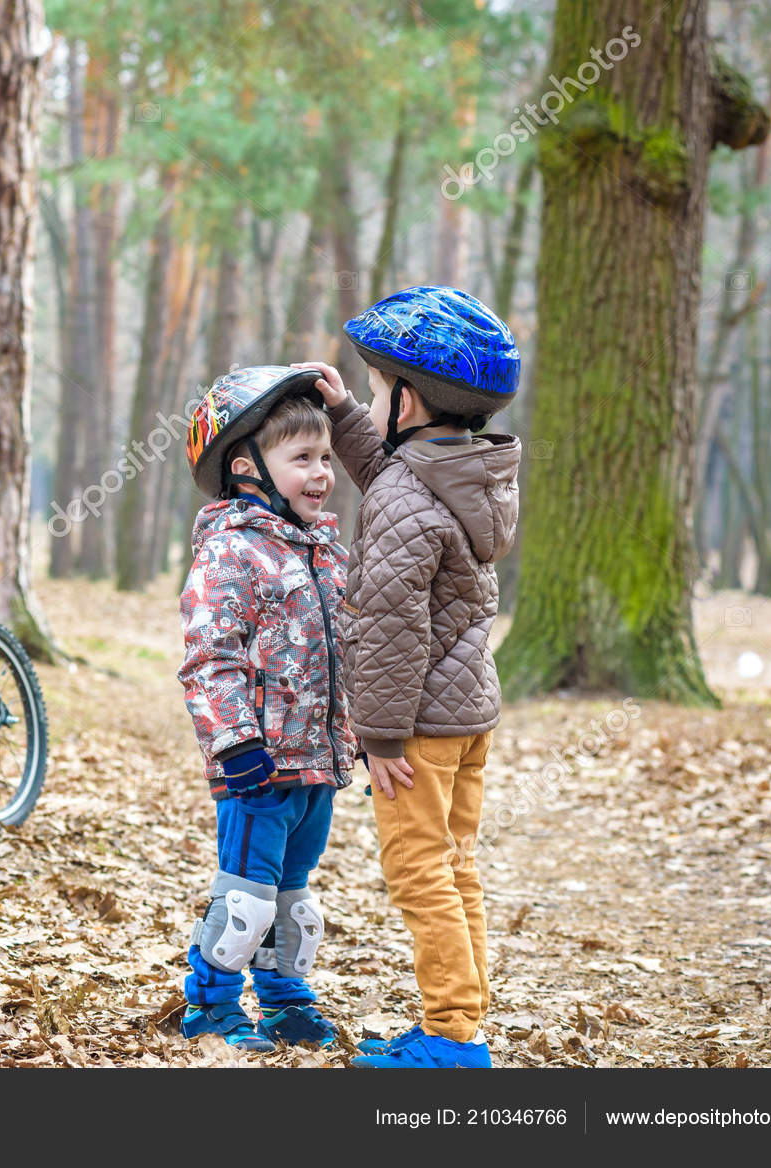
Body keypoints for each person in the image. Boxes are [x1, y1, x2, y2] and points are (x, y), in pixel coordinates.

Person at [289, 284, 521, 1069]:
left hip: (417, 725)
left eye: (384, 389)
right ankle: (467, 1021)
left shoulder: (403, 497)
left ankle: (453, 1039)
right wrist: (349, 411)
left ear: (412, 400)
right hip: (469, 716)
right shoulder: (467, 474)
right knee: (456, 866)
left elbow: (389, 626)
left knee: (418, 872)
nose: (378, 399)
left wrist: (379, 736)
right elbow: (392, 471)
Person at [175, 365, 358, 1051]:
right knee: (246, 896)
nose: (320, 474)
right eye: (302, 459)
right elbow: (209, 659)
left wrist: (358, 735)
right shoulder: (230, 552)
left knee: (293, 901)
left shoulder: (324, 553)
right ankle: (211, 1004)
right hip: (258, 767)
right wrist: (234, 744)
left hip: (317, 763)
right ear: (246, 465)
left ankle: (283, 999)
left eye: (325, 459)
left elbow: (343, 654)